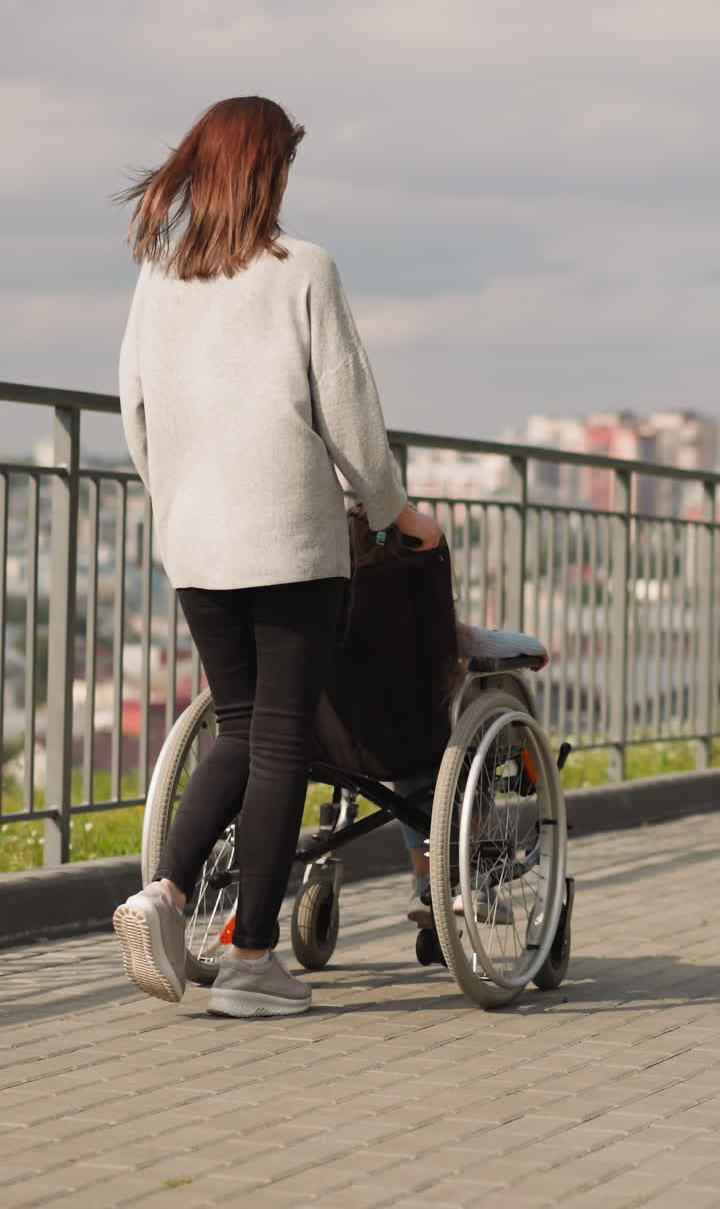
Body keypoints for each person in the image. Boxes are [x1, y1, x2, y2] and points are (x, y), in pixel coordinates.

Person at [112, 96, 442, 1018]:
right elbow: (349, 411)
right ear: (269, 171)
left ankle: (165, 890)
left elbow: (136, 412)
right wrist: (393, 511)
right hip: (288, 537)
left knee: (242, 722)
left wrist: (177, 500)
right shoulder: (305, 268)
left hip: (195, 539)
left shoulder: (160, 274)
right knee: (283, 738)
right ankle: (252, 959)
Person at [314, 505, 548, 929]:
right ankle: (458, 878)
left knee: (407, 743)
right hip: (412, 744)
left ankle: (424, 877)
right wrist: (531, 648)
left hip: (328, 745)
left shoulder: (322, 606)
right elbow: (486, 644)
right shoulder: (423, 606)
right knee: (460, 753)